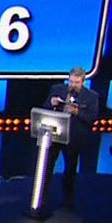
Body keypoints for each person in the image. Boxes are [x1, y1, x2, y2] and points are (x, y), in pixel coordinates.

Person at [42, 66, 99, 208]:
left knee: (70, 170)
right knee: (47, 167)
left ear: (83, 82)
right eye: (71, 81)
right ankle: (42, 197)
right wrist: (51, 103)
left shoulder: (91, 97)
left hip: (73, 139)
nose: (73, 85)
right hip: (55, 135)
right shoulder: (57, 89)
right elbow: (45, 107)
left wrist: (77, 112)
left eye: (76, 82)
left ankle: (68, 199)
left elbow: (92, 118)